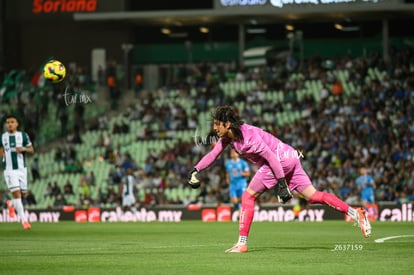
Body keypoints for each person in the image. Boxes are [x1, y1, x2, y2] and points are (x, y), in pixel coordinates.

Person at [187, 106, 371, 253]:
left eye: (217, 124)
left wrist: (282, 186)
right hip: (290, 155)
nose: (214, 128)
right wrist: (195, 170)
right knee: (313, 196)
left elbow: (272, 159)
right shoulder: (229, 138)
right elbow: (213, 155)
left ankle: (242, 243)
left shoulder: (250, 137)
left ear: (227, 124)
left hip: (279, 160)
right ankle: (356, 213)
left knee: (248, 197)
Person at [0, 115, 35, 230]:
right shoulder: (2, 137)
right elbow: (1, 150)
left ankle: (10, 204)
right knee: (17, 194)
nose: (9, 124)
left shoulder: (23, 136)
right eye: (7, 122)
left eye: (12, 122)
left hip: (22, 170)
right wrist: (3, 157)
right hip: (10, 170)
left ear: (17, 124)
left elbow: (32, 150)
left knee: (24, 194)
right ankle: (24, 221)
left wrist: (23, 149)